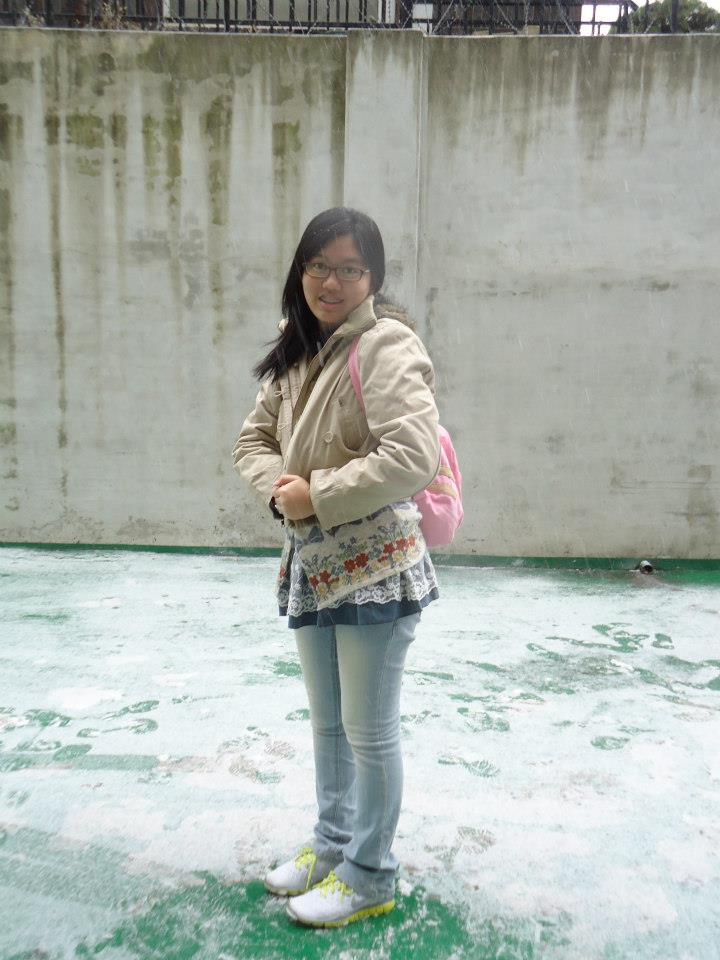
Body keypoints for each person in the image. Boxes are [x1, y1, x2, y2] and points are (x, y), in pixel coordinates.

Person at [232, 207, 441, 928]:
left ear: (372, 277)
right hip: (314, 566)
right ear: (301, 271)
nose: (332, 281)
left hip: (376, 569)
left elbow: (413, 455)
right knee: (328, 726)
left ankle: (370, 873)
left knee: (369, 732)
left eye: (350, 268)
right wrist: (282, 492)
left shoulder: (386, 345)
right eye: (319, 265)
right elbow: (252, 441)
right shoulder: (297, 349)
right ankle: (331, 845)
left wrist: (315, 494)